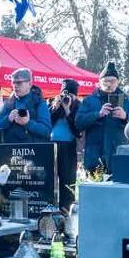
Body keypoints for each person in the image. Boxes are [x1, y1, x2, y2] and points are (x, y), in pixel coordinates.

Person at [76, 62, 129, 174]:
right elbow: (78, 122)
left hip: (118, 154)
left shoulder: (127, 102)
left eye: (112, 81)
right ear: (99, 83)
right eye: (105, 81)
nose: (109, 84)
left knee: (119, 189)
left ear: (118, 82)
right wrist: (97, 114)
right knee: (95, 189)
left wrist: (125, 117)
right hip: (95, 155)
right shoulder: (89, 101)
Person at [0, 68, 51, 143]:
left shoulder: (39, 102)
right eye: (13, 83)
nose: (15, 86)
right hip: (10, 151)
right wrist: (8, 119)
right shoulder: (8, 103)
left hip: (33, 150)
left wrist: (28, 123)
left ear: (30, 84)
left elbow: (46, 131)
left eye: (19, 83)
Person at [49, 79, 81, 211]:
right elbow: (48, 123)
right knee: (51, 178)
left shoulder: (78, 107)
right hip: (52, 145)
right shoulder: (54, 105)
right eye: (65, 95)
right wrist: (57, 106)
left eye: (71, 96)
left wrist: (68, 111)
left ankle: (65, 209)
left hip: (68, 146)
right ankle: (50, 208)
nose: (67, 98)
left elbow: (77, 130)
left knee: (67, 179)